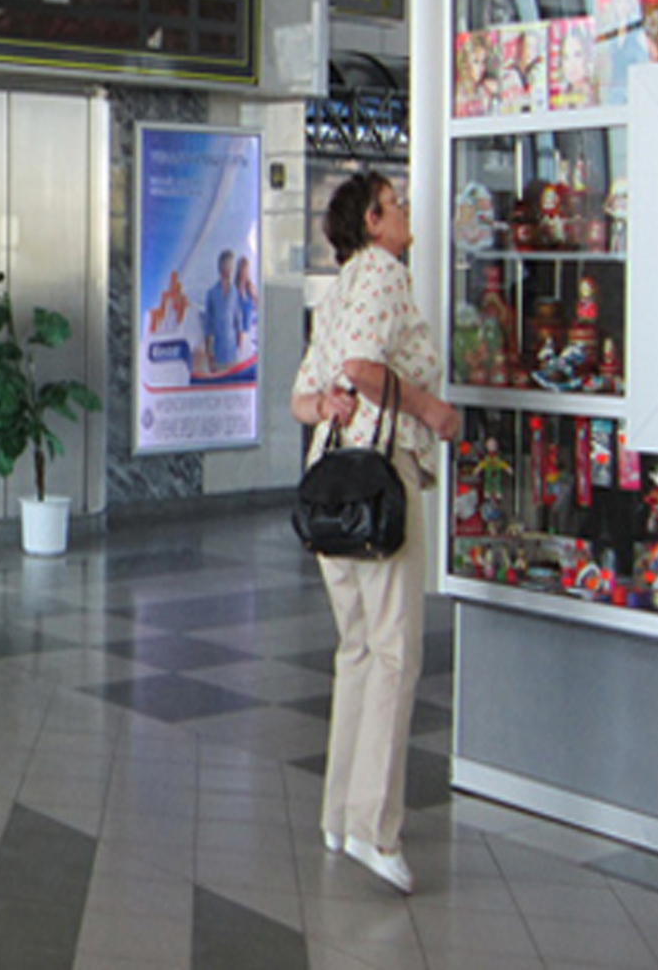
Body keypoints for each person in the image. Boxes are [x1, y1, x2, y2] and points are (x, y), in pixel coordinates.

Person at [290, 172, 460, 896]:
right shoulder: (386, 272)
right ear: (372, 219)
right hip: (379, 484)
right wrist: (431, 409)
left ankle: (340, 813)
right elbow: (363, 367)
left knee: (357, 647)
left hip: (330, 485)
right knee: (394, 652)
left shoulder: (338, 290)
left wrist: (332, 402)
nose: (407, 213)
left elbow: (303, 399)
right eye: (396, 203)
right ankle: (374, 828)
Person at [202, 249, 242, 371]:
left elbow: (238, 320)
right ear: (221, 267)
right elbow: (208, 325)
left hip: (232, 353)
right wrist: (208, 352)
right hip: (217, 354)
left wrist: (239, 346)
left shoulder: (234, 292)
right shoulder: (212, 293)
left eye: (231, 265)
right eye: (227, 265)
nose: (229, 269)